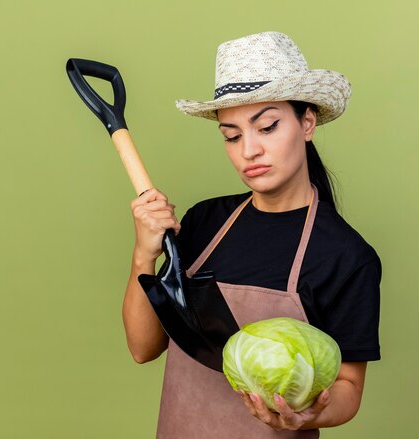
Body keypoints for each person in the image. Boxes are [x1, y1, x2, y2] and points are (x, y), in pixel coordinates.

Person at [122, 31, 381, 438]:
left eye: (267, 126)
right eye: (232, 135)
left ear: (307, 122)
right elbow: (143, 348)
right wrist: (143, 255)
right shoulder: (205, 223)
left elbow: (348, 387)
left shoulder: (344, 255)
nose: (249, 151)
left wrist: (307, 416)